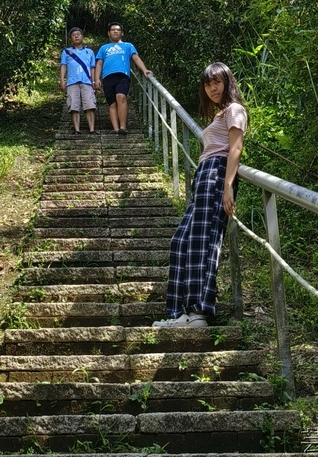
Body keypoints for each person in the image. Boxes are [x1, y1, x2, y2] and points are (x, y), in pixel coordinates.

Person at [153, 62, 247, 328]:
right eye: (208, 84)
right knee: (182, 241)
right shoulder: (218, 115)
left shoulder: (235, 110)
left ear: (227, 82)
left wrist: (228, 186)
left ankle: (198, 312)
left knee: (202, 242)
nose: (212, 88)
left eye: (217, 82)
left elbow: (235, 149)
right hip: (205, 173)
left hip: (217, 174)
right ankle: (181, 313)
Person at [94, 23, 153, 135]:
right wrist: (97, 79)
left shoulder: (128, 46)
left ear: (122, 33)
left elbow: (136, 58)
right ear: (108, 33)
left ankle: (123, 127)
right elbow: (99, 63)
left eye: (118, 30)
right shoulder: (103, 48)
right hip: (107, 77)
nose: (115, 31)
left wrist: (144, 69)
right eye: (113, 30)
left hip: (122, 75)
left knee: (121, 97)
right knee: (112, 103)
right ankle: (115, 129)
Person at [59, 27, 97, 134]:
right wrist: (62, 80)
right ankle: (77, 130)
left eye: (78, 34)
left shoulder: (89, 52)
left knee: (89, 105)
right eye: (73, 35)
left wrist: (93, 81)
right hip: (72, 82)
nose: (76, 36)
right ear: (71, 38)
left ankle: (92, 129)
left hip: (87, 81)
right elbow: (63, 66)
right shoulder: (66, 52)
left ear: (82, 37)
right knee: (73, 106)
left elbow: (92, 67)